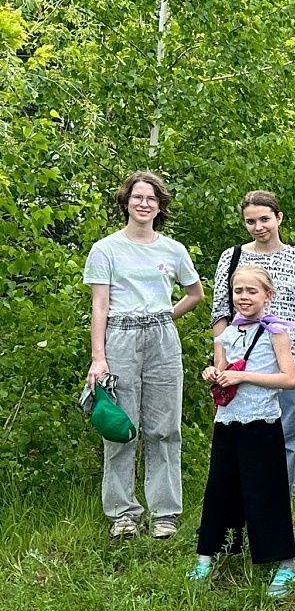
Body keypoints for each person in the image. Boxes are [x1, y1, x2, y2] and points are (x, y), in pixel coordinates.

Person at [84, 171, 204, 539]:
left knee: (165, 428)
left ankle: (164, 513)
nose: (144, 203)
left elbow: (195, 293)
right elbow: (100, 306)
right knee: (121, 429)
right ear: (126, 202)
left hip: (162, 340)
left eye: (151, 198)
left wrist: (164, 316)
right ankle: (123, 513)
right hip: (119, 337)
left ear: (159, 205)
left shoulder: (173, 250)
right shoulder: (106, 248)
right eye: (137, 197)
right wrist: (98, 358)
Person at [188, 265, 295, 596]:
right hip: (227, 420)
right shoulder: (225, 334)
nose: (244, 297)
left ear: (267, 295)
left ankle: (285, 563)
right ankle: (210, 553)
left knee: (267, 489)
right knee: (220, 487)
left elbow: (289, 379)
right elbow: (223, 371)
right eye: (239, 291)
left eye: (252, 291)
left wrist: (244, 377)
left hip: (261, 422)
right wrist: (213, 372)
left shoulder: (276, 332)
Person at [209, 191, 295, 489]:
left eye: (265, 219)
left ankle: (280, 504)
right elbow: (220, 311)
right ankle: (243, 506)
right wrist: (221, 361)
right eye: (251, 221)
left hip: (289, 360)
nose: (259, 227)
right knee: (242, 432)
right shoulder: (232, 257)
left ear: (279, 217)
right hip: (242, 358)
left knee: (288, 435)